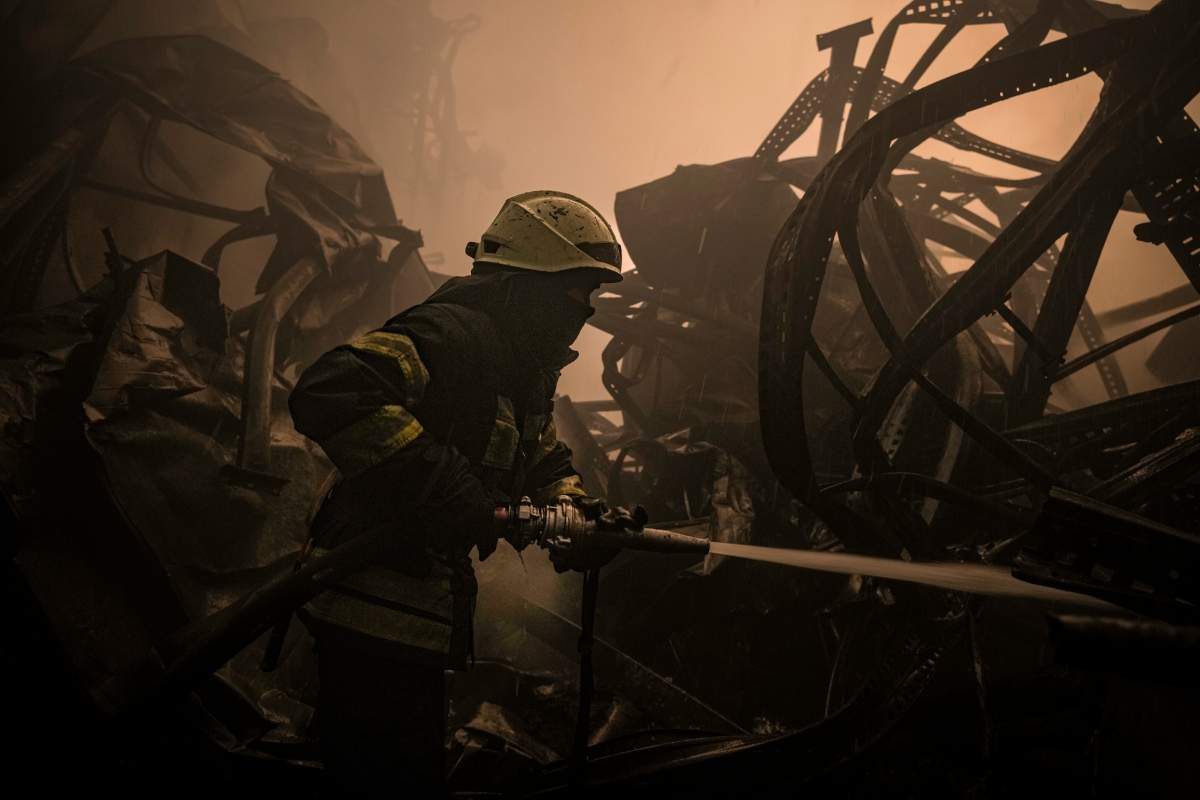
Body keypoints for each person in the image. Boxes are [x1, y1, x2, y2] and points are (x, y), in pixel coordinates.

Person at [288, 190, 630, 794]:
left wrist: (576, 513)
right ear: (532, 286)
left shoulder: (518, 368)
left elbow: (540, 457)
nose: (586, 309)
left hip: (413, 623)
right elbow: (334, 388)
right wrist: (446, 488)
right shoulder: (450, 334)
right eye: (579, 290)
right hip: (370, 608)